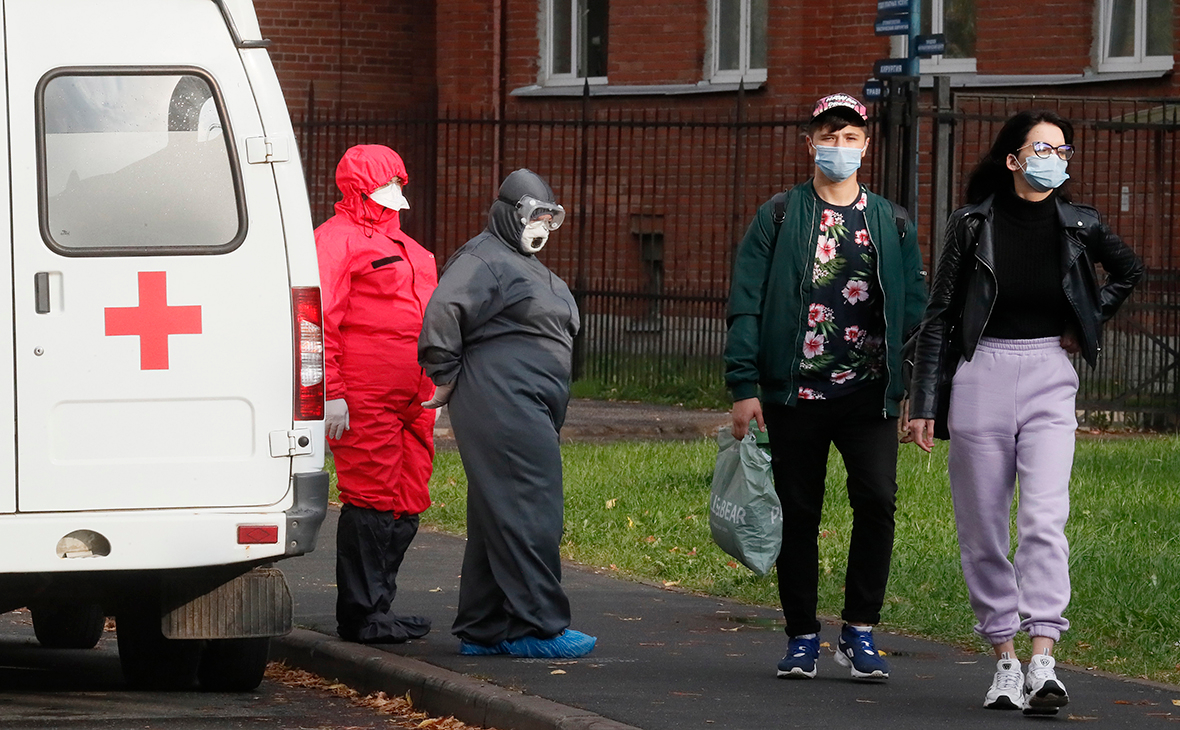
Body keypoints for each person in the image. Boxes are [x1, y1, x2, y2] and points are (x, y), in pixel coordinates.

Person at [907, 111, 1143, 714]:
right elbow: (940, 314)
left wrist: (1083, 320)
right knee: (983, 527)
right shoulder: (970, 223)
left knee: (1043, 518)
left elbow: (1129, 271)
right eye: (1042, 148)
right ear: (1013, 159)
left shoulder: (1081, 224)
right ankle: (1004, 661)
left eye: (1063, 150)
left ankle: (1044, 659)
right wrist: (924, 402)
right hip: (981, 372)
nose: (1055, 158)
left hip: (1048, 376)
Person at [725, 93, 927, 681]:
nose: (839, 147)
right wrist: (744, 385)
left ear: (868, 146)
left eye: (850, 137)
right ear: (809, 142)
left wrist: (916, 393)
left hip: (870, 396)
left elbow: (915, 315)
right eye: (828, 135)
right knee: (799, 513)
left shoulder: (891, 221)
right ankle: (803, 635)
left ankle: (859, 631)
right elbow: (746, 303)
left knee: (877, 503)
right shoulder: (781, 214)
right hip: (795, 395)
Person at [418, 169, 597, 659]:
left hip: (523, 403)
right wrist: (445, 370)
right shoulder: (483, 258)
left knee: (498, 512)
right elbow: (442, 312)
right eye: (533, 215)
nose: (540, 226)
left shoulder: (514, 260)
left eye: (548, 217)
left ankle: (484, 627)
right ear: (508, 214)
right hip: (501, 402)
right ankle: (536, 627)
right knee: (530, 508)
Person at [315, 144, 438, 644]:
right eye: (387, 182)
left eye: (398, 181)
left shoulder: (408, 246)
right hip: (364, 393)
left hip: (417, 393)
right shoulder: (334, 241)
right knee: (370, 498)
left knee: (408, 499)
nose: (396, 191)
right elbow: (318, 319)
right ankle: (361, 614)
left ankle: (380, 606)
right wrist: (332, 391)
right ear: (359, 186)